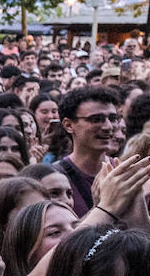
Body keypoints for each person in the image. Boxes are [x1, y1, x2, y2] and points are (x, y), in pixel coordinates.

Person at [53, 86, 125, 216]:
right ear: (69, 125)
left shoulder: (124, 172)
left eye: (113, 118)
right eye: (96, 119)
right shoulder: (54, 178)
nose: (108, 127)